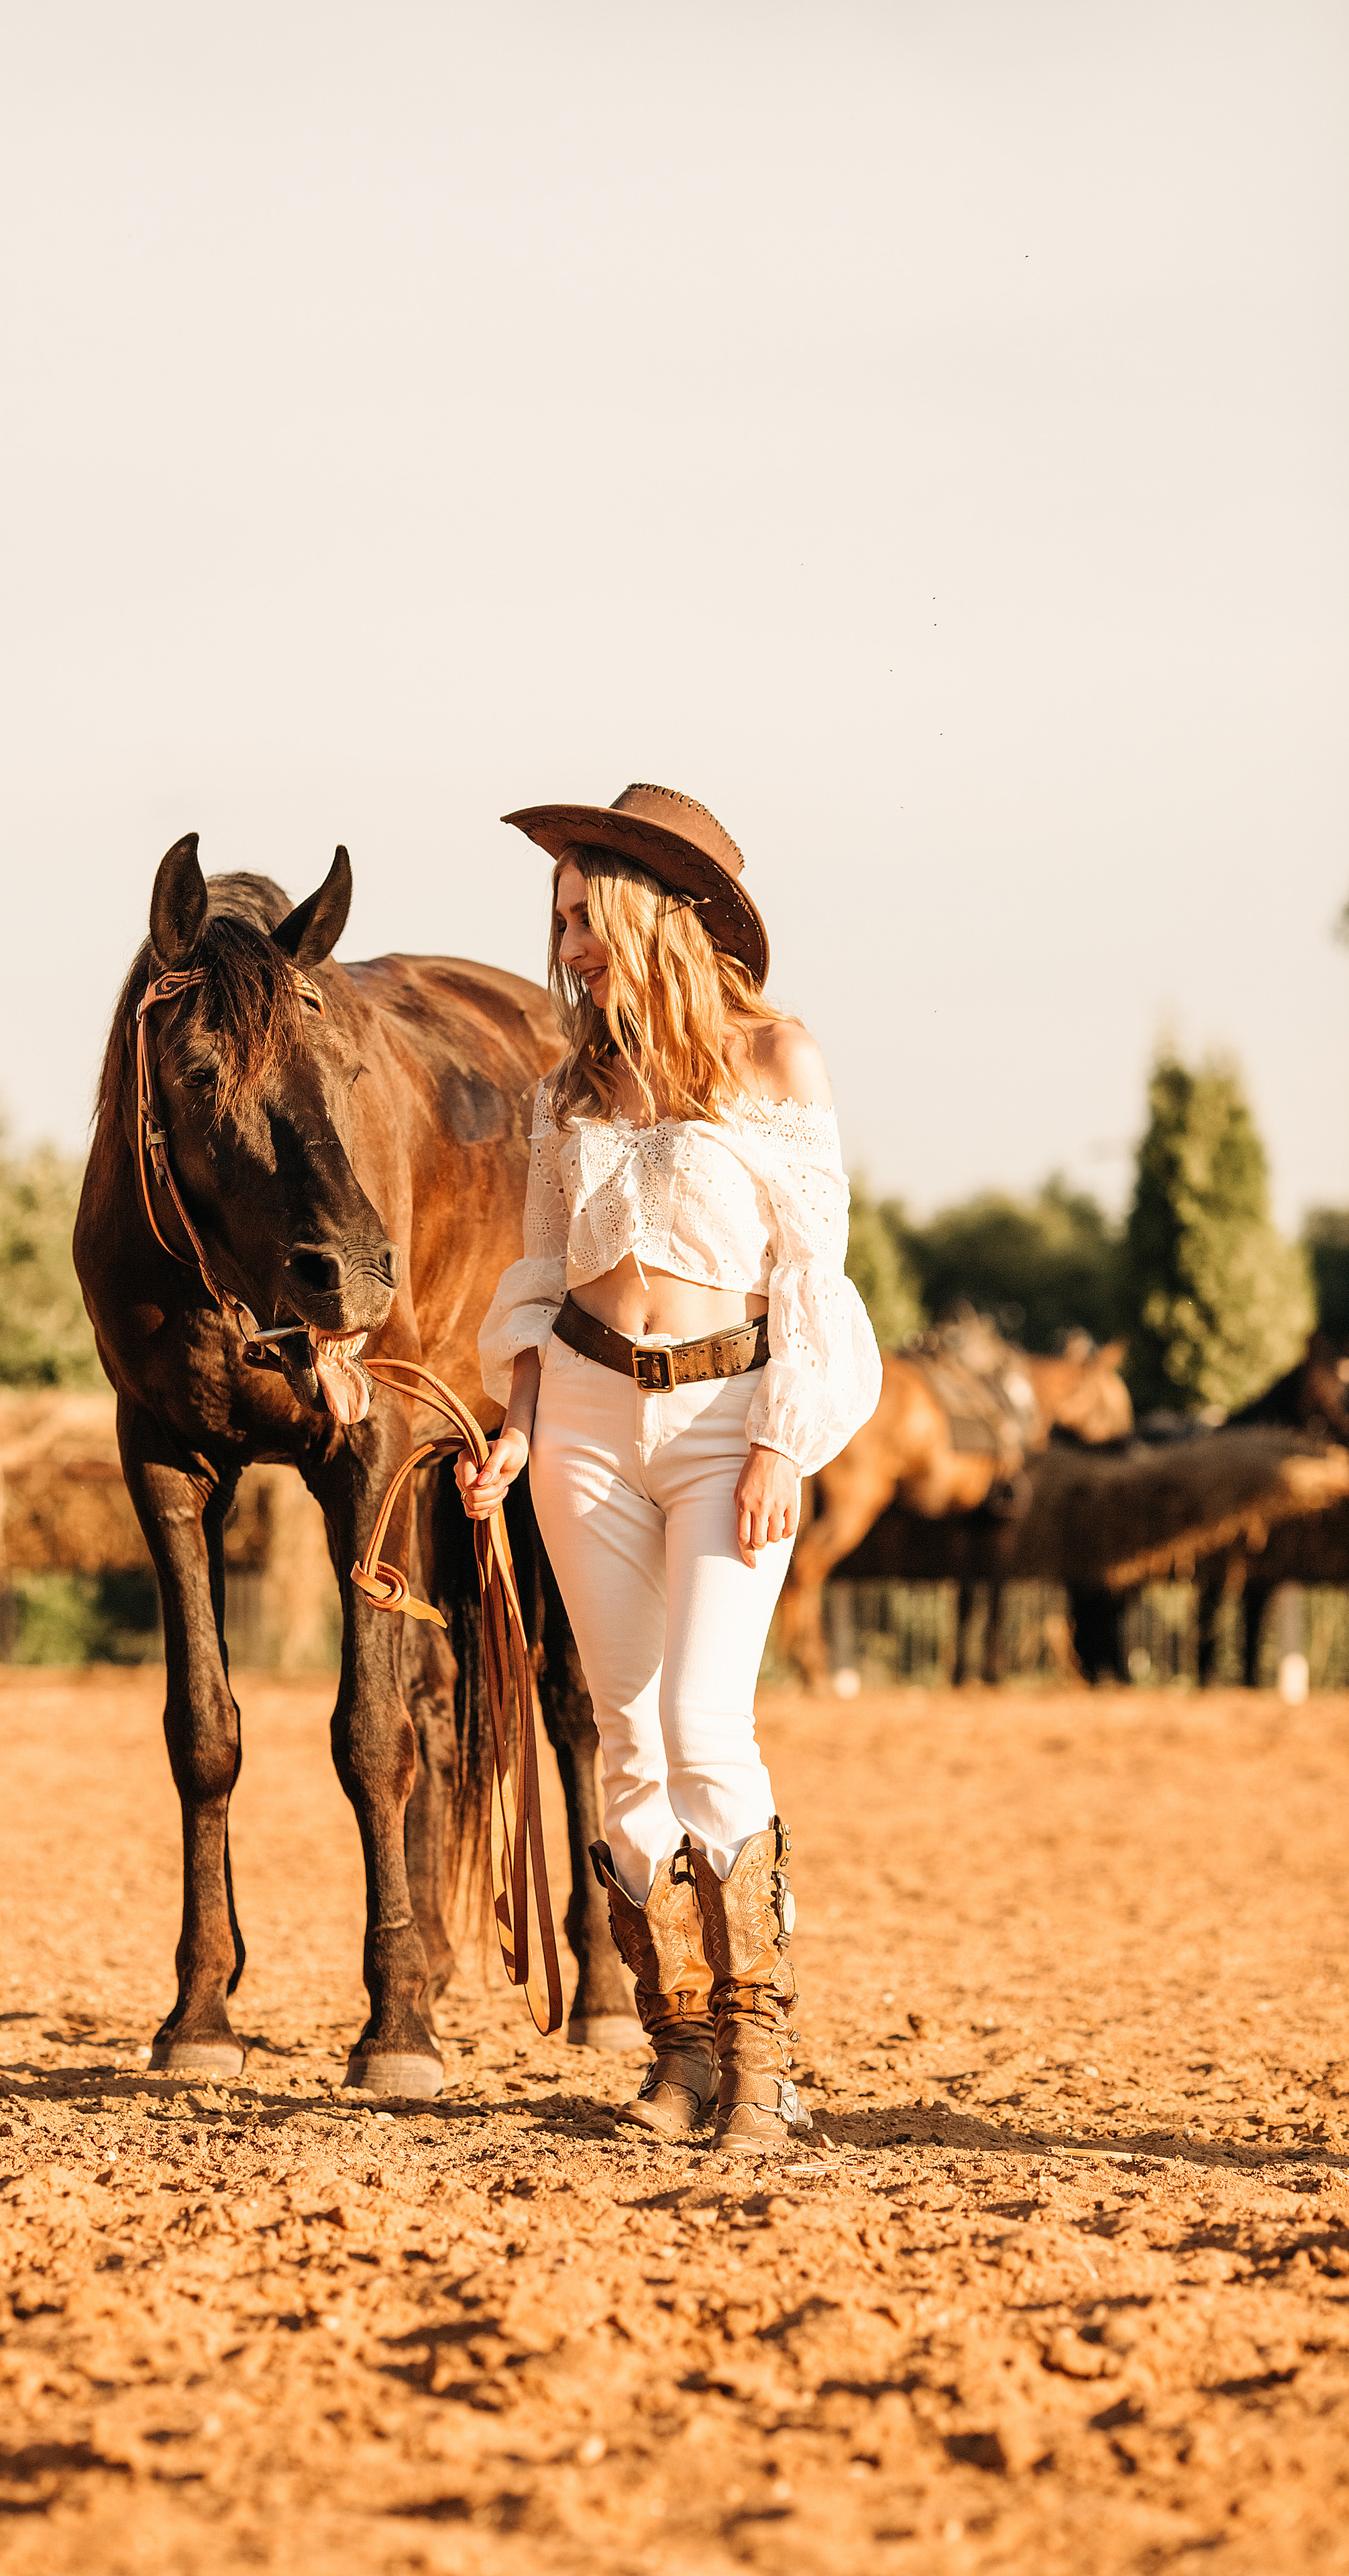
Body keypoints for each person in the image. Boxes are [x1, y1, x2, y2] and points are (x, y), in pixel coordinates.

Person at [459, 784, 881, 2155]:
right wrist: (515, 1428)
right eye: (561, 920)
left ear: (653, 909)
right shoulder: (565, 1088)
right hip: (579, 1414)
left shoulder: (774, 1062)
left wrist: (780, 1440)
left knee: (706, 1728)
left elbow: (810, 1278)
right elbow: (534, 1274)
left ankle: (763, 2058)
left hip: (724, 1421)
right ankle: (680, 2052)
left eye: (584, 916)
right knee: (623, 1743)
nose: (569, 946)